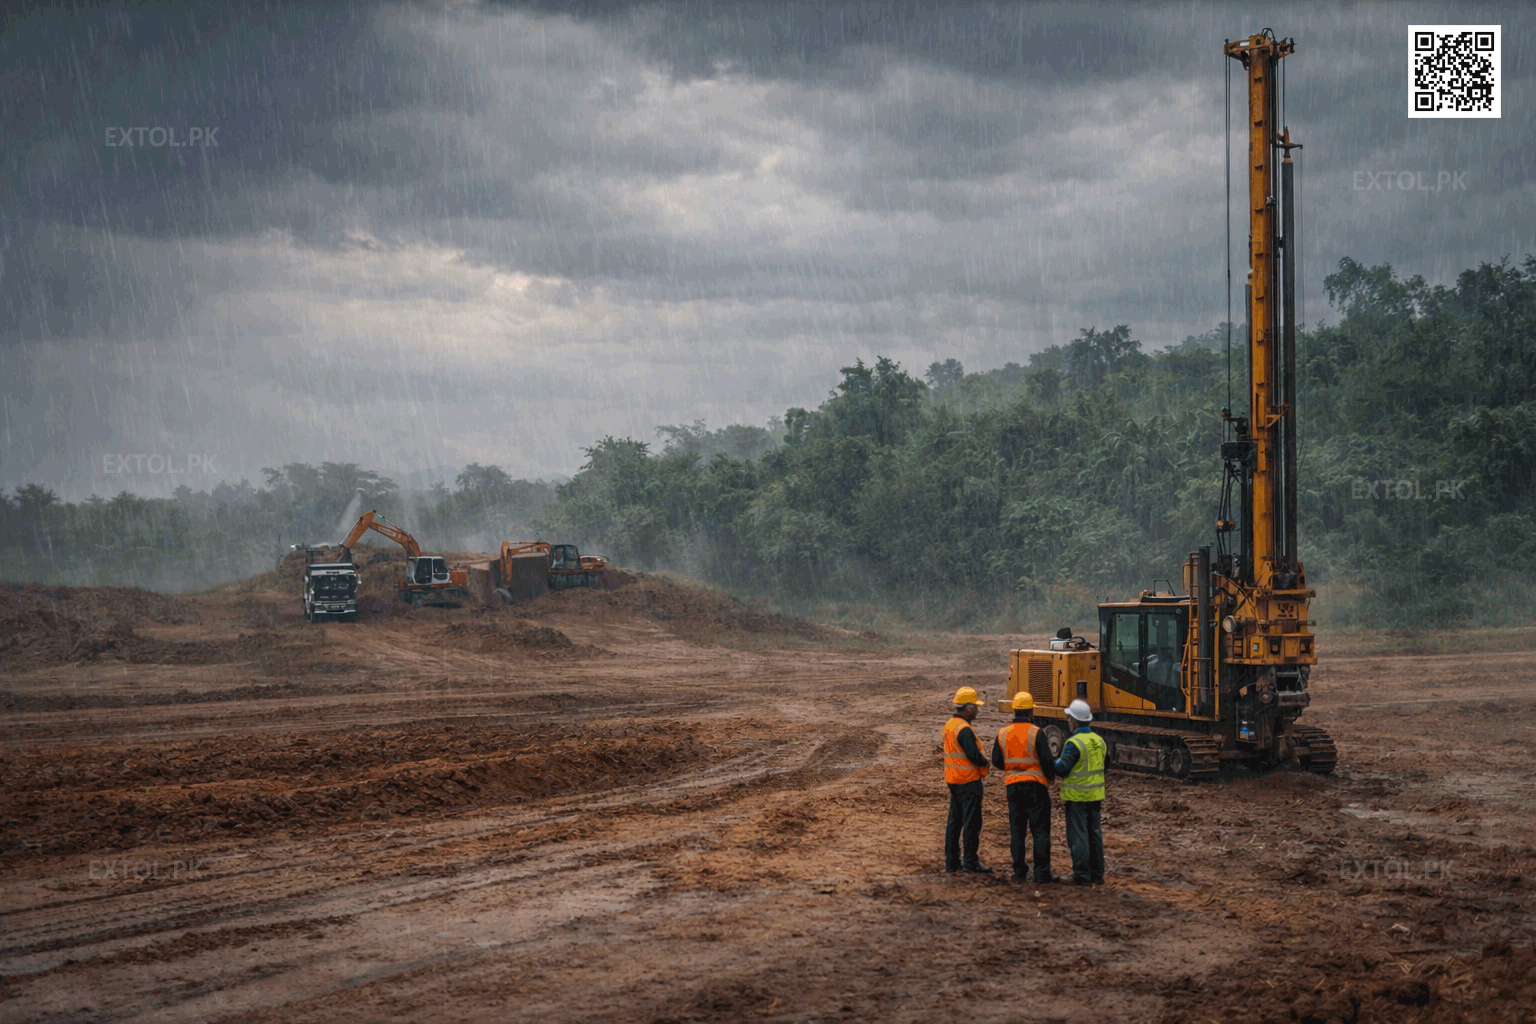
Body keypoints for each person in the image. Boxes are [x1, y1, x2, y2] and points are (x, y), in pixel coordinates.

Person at [990, 692, 1061, 883]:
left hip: (1012, 787)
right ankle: (1042, 873)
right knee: (1040, 831)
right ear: (1031, 712)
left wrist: (1013, 768)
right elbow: (1047, 761)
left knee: (1017, 830)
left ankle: (1019, 870)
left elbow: (996, 760)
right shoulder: (1036, 732)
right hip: (1036, 787)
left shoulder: (1003, 733)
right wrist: (1050, 777)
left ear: (1014, 710)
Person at [1053, 699, 1107, 885]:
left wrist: (1050, 762)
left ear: (1074, 721)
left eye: (1069, 718)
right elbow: (1104, 766)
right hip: (1096, 795)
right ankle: (1097, 874)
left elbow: (1062, 768)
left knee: (1078, 836)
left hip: (1077, 797)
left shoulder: (1074, 743)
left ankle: (1082, 875)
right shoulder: (1099, 741)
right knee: (1094, 833)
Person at [942, 686, 993, 874]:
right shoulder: (964, 729)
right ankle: (971, 861)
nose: (977, 711)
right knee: (971, 822)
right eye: (976, 707)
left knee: (954, 822)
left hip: (953, 780)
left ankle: (952, 862)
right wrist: (985, 762)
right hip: (968, 781)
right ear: (968, 707)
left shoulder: (949, 725)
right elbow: (973, 755)